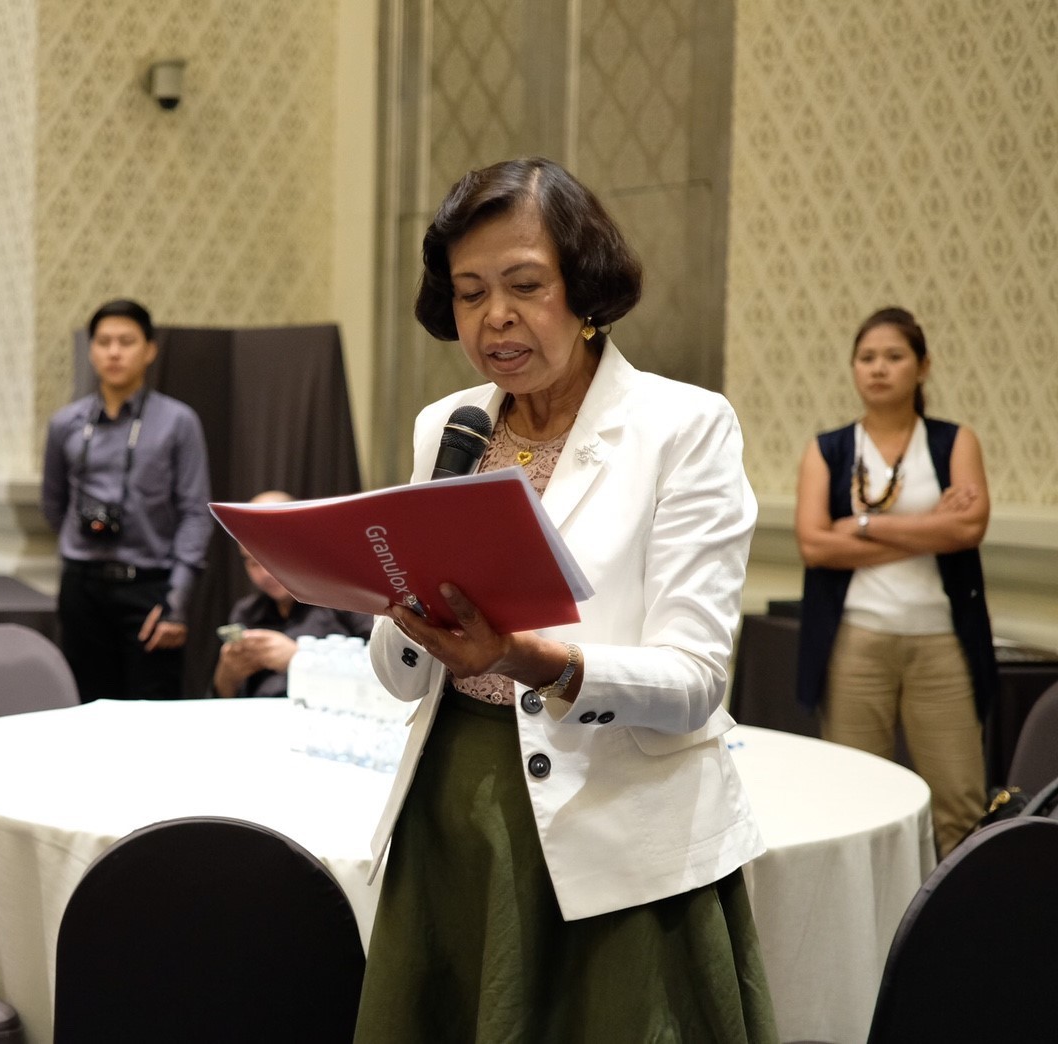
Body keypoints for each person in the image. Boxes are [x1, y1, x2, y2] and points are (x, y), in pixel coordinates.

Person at [355, 157, 776, 1042]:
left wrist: (527, 658)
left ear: (584, 291)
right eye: (469, 293)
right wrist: (387, 595)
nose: (495, 317)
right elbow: (399, 677)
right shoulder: (450, 427)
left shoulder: (682, 427)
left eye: (524, 285)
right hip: (453, 814)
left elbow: (696, 680)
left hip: (619, 830)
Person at [795, 307, 994, 856]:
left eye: (894, 356)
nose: (878, 368)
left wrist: (862, 526)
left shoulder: (954, 442)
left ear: (923, 367)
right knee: (855, 798)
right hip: (856, 641)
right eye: (866, 358)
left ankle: (957, 909)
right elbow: (814, 545)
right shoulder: (830, 449)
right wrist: (932, 528)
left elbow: (968, 529)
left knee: (959, 804)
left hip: (941, 640)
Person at [41, 299, 212, 701]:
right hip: (82, 588)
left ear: (149, 350)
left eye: (126, 341)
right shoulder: (65, 423)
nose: (114, 352)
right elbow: (53, 504)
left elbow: (195, 513)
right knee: (84, 707)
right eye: (104, 342)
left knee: (151, 714)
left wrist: (176, 600)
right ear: (91, 350)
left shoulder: (178, 422)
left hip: (149, 588)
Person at [211, 491, 373, 698]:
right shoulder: (247, 612)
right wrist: (227, 675)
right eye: (253, 562)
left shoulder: (349, 600)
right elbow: (222, 701)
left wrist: (298, 659)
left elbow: (388, 677)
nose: (265, 573)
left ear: (302, 546)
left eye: (272, 556)